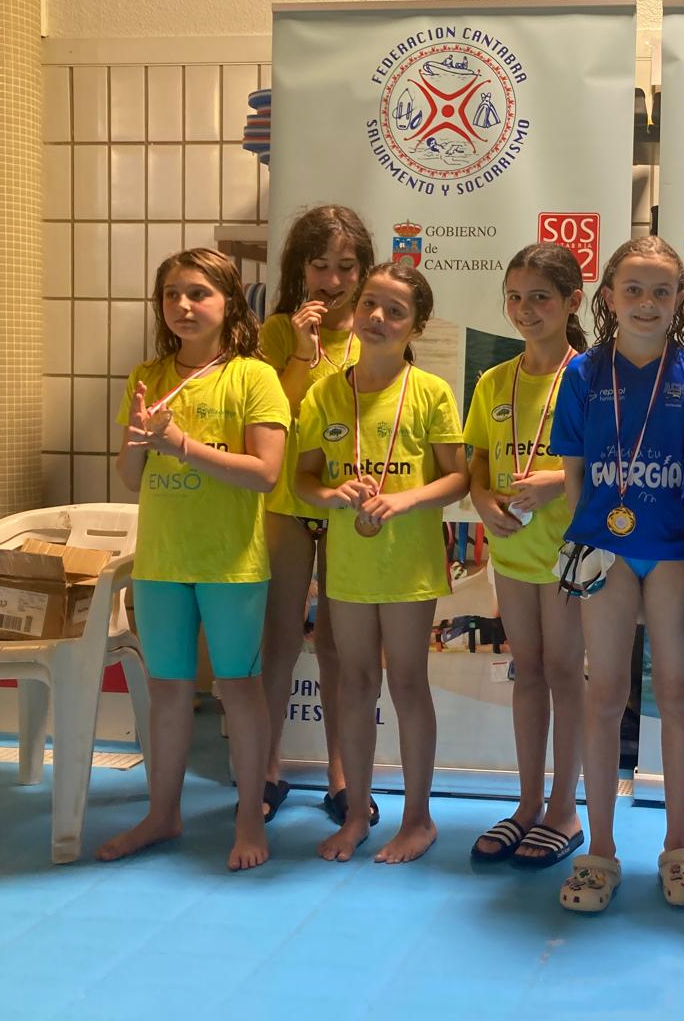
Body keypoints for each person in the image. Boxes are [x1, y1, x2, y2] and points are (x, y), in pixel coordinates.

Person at [550, 236, 684, 914]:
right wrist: (591, 537)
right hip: (609, 550)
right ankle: (600, 850)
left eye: (661, 291)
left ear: (679, 298)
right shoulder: (584, 373)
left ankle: (679, 847)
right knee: (605, 694)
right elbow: (574, 473)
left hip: (676, 549)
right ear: (608, 297)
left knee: (676, 692)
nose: (647, 303)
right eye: (633, 289)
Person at [98, 249, 288, 871]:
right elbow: (132, 477)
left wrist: (181, 443)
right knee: (168, 690)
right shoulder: (148, 374)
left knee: (239, 688)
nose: (183, 305)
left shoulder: (253, 377)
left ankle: (248, 816)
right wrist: (141, 438)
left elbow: (265, 474)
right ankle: (163, 813)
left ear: (229, 302)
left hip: (231, 563)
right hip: (161, 561)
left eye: (199, 293)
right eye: (172, 294)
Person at [294, 261, 468, 864]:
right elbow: (304, 479)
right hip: (348, 564)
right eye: (370, 303)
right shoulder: (325, 392)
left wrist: (404, 499)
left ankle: (418, 819)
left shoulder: (430, 392)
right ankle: (356, 813)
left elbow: (456, 479)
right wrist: (332, 494)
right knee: (355, 683)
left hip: (408, 563)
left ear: (415, 327)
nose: (377, 317)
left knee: (408, 682)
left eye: (396, 311)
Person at [464, 243, 588, 867]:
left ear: (572, 302)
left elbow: (613, 465)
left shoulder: (589, 378)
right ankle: (528, 802)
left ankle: (565, 809)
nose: (525, 309)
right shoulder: (494, 380)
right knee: (528, 672)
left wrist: (557, 483)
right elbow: (478, 462)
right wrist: (483, 500)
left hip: (570, 555)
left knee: (565, 674)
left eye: (540, 297)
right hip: (513, 551)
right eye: (515, 297)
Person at [257, 204, 375, 827]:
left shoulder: (376, 330)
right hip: (286, 501)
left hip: (348, 502)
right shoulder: (277, 332)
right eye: (320, 266)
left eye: (346, 267)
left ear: (364, 270)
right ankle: (267, 766)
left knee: (337, 644)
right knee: (279, 638)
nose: (332, 280)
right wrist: (302, 352)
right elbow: (273, 416)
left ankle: (341, 774)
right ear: (298, 269)